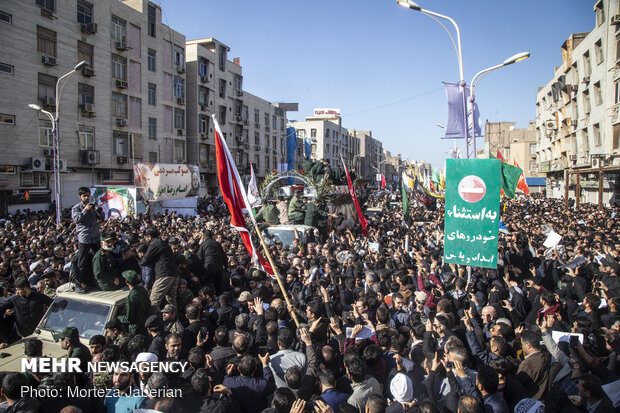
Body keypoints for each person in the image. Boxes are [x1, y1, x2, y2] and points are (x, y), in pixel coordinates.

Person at [138, 228, 180, 312]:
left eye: (146, 237)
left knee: (153, 301)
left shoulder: (155, 243)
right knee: (171, 301)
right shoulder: (162, 243)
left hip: (164, 275)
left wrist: (139, 260)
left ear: (149, 237)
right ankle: (174, 320)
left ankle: (153, 322)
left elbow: (145, 260)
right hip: (174, 274)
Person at [71, 186, 100, 290]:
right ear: (80, 197)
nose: (87, 198)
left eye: (88, 195)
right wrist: (85, 210)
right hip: (85, 238)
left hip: (95, 236)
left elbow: (100, 217)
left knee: (98, 258)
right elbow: (77, 220)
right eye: (85, 196)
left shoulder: (92, 206)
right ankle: (81, 282)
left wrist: (97, 210)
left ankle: (96, 279)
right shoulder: (76, 208)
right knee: (82, 261)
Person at [118, 270, 151, 336]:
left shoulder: (130, 297)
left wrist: (119, 317)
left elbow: (129, 318)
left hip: (136, 328)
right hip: (146, 324)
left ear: (127, 282)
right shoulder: (143, 290)